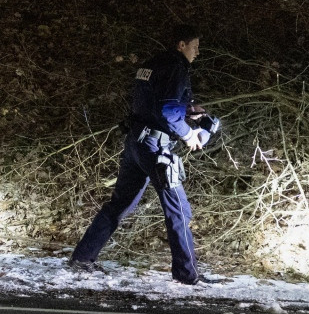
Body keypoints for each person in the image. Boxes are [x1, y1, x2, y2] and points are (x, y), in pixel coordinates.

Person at [70, 24, 208, 284]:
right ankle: (188, 276)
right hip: (156, 148)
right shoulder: (176, 66)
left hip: (135, 142)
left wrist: (187, 109)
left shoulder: (151, 64)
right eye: (195, 46)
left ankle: (82, 257)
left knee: (119, 204)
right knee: (179, 211)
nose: (197, 52)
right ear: (181, 45)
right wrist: (189, 134)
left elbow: (153, 102)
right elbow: (166, 110)